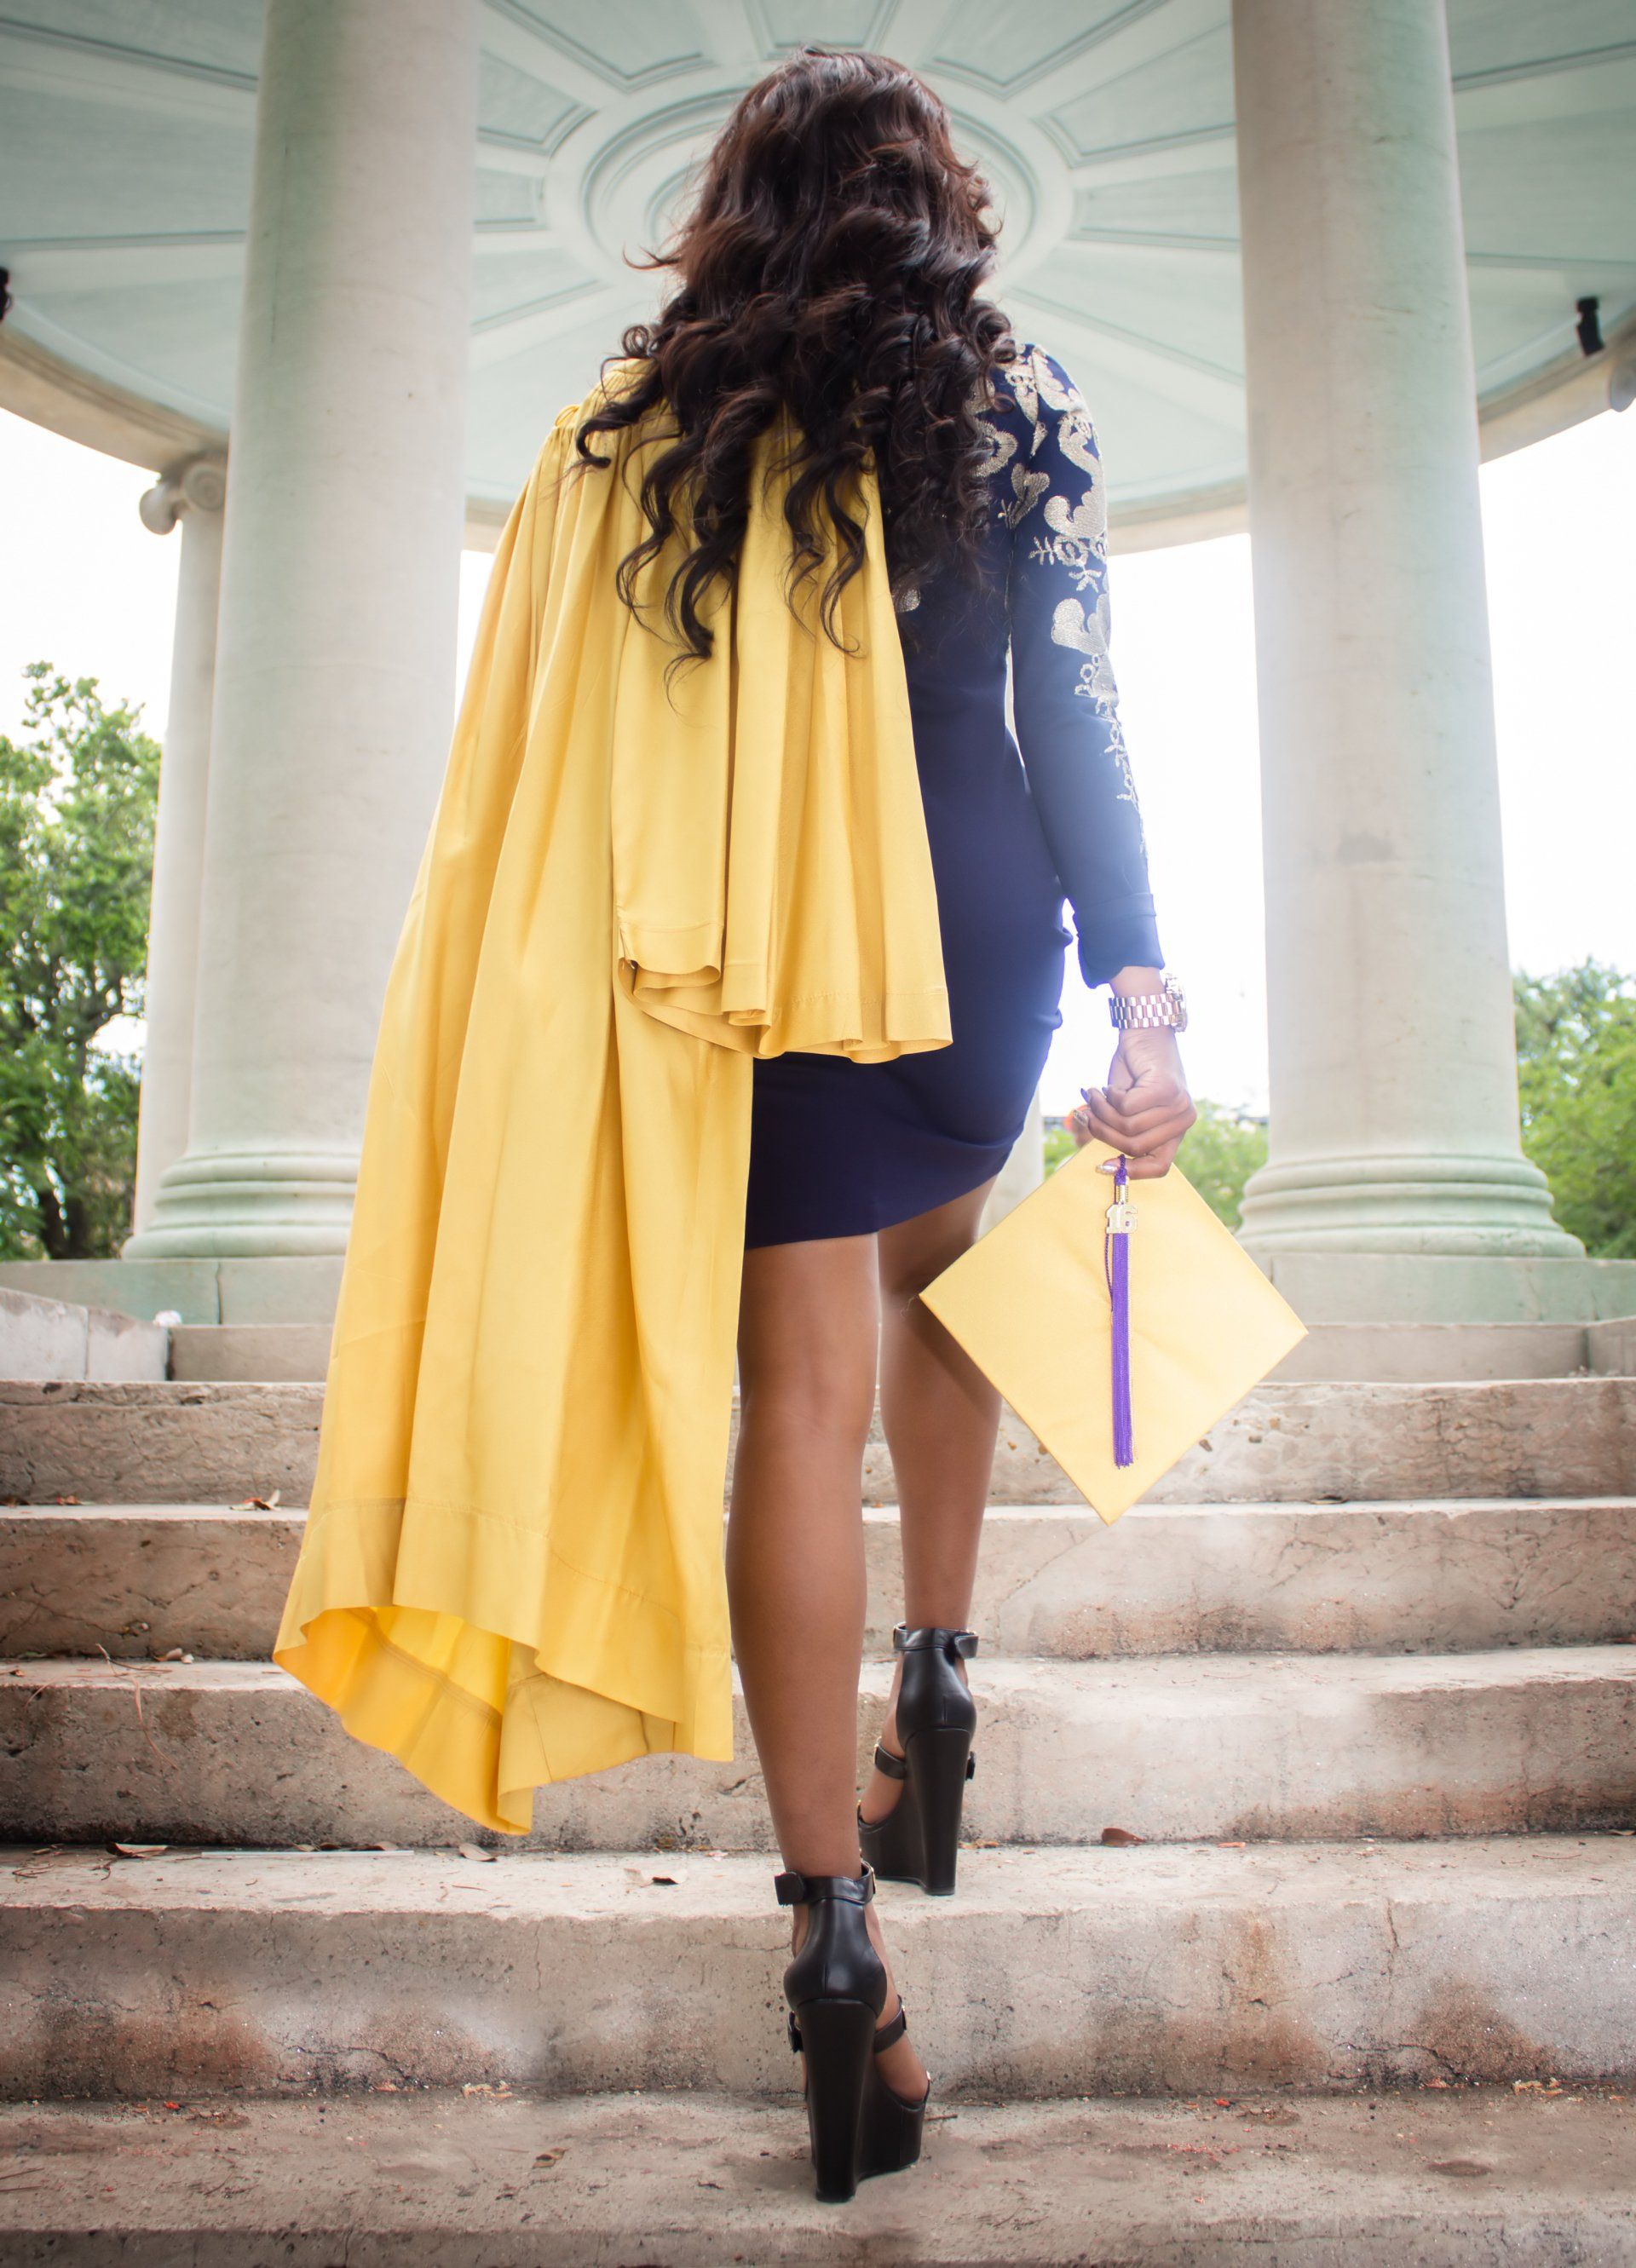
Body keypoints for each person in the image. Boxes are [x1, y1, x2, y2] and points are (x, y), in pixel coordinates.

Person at [573, 47, 1194, 2201]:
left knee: (795, 1388)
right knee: (954, 1271)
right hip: (983, 929)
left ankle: (835, 1939)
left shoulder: (668, 417)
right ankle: (939, 1659)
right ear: (934, 196)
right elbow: (1079, 705)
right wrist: (1142, 981)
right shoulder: (1015, 398)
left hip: (768, 945)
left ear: (743, 198)